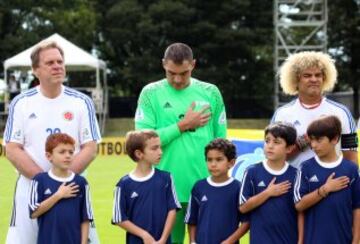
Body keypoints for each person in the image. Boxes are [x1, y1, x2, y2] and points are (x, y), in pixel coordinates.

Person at [3, 40, 101, 244]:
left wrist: (64, 179)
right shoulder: (21, 103)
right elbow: (12, 148)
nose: (57, 66)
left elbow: (90, 147)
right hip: (30, 189)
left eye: (60, 61)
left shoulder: (81, 102)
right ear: (35, 70)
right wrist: (46, 182)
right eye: (50, 63)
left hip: (72, 189)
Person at [134, 42, 227, 243]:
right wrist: (182, 125)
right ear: (163, 65)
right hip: (164, 189)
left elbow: (222, 143)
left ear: (193, 65)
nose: (177, 79)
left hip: (205, 186)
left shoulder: (211, 92)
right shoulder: (150, 93)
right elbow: (142, 140)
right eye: (171, 73)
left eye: (183, 73)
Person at [271, 51, 358, 169]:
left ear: (324, 78)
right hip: (293, 184)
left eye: (318, 75)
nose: (314, 79)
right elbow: (274, 158)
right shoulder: (282, 114)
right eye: (307, 75)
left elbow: (351, 157)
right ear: (296, 80)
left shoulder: (341, 112)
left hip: (332, 183)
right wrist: (304, 141)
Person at [294, 115, 360, 244]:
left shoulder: (351, 169)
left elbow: (357, 208)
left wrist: (356, 240)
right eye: (311, 140)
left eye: (319, 140)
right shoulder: (305, 168)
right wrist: (325, 189)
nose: (313, 145)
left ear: (335, 139)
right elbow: (299, 205)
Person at [112, 130, 181, 243]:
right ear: (139, 154)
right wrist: (144, 235)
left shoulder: (166, 178)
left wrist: (163, 239)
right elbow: (119, 218)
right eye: (154, 148)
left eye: (160, 147)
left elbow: (172, 210)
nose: (160, 152)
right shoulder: (123, 185)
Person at [239, 122, 300, 244]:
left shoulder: (296, 174)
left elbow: (301, 211)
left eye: (276, 142)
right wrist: (268, 193)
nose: (270, 146)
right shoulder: (252, 172)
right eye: (267, 141)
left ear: (289, 148)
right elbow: (243, 207)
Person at [29, 133, 93, 244]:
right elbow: (33, 212)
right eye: (62, 152)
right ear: (49, 156)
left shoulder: (81, 182)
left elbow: (86, 218)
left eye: (71, 152)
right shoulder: (39, 180)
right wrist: (58, 195)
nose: (67, 155)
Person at [185, 138, 249, 244]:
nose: (213, 164)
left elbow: (246, 222)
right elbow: (192, 220)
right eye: (209, 160)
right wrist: (192, 241)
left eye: (219, 159)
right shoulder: (199, 187)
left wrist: (229, 242)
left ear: (231, 163)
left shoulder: (238, 188)